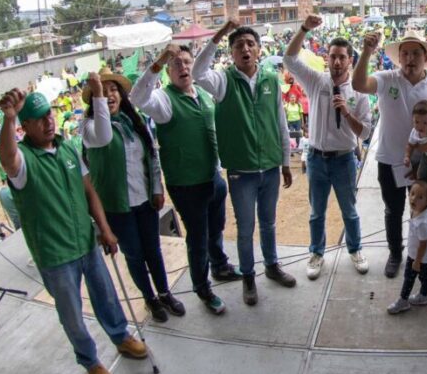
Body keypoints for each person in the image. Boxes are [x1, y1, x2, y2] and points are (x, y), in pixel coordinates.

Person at [0, 89, 147, 374]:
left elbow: (89, 191)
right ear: (25, 127)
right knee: (72, 315)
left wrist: (104, 228)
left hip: (86, 241)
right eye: (38, 120)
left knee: (106, 295)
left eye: (49, 115)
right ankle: (90, 361)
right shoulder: (24, 161)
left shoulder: (67, 149)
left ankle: (120, 336)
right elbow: (8, 158)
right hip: (55, 254)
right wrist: (8, 119)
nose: (48, 123)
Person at [130, 44, 242, 316]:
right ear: (168, 72)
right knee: (198, 238)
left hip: (212, 176)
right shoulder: (163, 101)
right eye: (176, 64)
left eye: (187, 62)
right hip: (187, 184)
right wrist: (159, 61)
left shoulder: (202, 93)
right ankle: (202, 288)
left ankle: (219, 265)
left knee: (216, 228)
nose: (183, 67)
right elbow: (137, 97)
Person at [194, 20, 296, 306]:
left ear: (259, 49)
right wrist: (219, 35)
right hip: (241, 171)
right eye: (239, 46)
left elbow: (280, 122)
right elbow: (197, 72)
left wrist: (285, 162)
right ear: (232, 53)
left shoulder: (270, 80)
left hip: (270, 168)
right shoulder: (222, 81)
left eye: (251, 44)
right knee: (245, 228)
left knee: (269, 223)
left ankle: (272, 266)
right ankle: (248, 276)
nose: (246, 49)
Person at [81, 69, 184, 323]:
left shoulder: (133, 122)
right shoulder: (89, 127)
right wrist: (98, 96)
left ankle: (164, 293)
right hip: (117, 206)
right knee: (135, 255)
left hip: (144, 200)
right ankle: (150, 298)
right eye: (102, 92)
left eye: (113, 90)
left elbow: (150, 154)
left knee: (153, 250)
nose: (109, 95)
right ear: (94, 100)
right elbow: (104, 135)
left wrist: (157, 187)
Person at [284, 14, 372, 280]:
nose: (336, 62)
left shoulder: (358, 91)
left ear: (350, 60)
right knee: (316, 213)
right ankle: (317, 253)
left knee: (349, 211)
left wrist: (347, 113)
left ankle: (355, 250)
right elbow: (289, 59)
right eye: (332, 56)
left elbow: (365, 132)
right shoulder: (316, 81)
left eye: (342, 57)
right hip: (316, 158)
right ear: (327, 58)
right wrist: (303, 29)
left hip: (344, 160)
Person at [352, 29, 427, 278]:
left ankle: (420, 255)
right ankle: (395, 253)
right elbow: (358, 84)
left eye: (415, 53)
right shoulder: (386, 79)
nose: (410, 58)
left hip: (423, 164)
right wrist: (366, 52)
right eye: (405, 53)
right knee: (393, 211)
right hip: (390, 160)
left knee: (422, 211)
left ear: (425, 57)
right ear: (399, 57)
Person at [387, 180, 427, 314]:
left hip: (422, 257)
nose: (413, 198)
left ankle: (409, 299)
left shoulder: (424, 223)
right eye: (412, 193)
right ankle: (419, 296)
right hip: (416, 254)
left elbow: (423, 244)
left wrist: (417, 261)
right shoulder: (417, 210)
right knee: (418, 276)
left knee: (418, 277)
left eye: (420, 197)